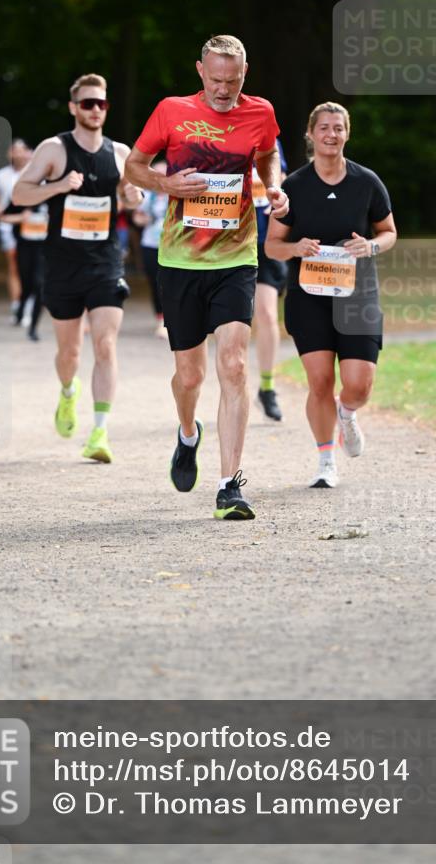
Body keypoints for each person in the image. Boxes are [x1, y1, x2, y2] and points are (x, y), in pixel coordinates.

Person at [125, 34, 289, 520]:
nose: (223, 90)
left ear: (245, 74)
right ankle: (187, 432)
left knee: (234, 365)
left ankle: (229, 486)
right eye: (216, 80)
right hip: (179, 262)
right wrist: (163, 181)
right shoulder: (171, 111)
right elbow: (134, 165)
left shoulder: (260, 113)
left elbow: (267, 155)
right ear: (200, 70)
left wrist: (274, 188)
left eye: (233, 81)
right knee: (189, 375)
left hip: (236, 257)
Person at [265, 102, 397, 488]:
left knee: (358, 384)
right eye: (323, 127)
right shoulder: (293, 187)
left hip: (358, 295)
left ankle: (348, 413)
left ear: (347, 133)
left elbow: (389, 232)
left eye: (338, 128)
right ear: (310, 134)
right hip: (310, 295)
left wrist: (369, 247)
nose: (331, 134)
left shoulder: (366, 182)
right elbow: (273, 246)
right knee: (320, 381)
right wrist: (296, 248)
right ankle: (326, 462)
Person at [13, 73, 143, 462]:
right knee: (69, 352)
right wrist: (57, 186)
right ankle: (68, 392)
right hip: (63, 265)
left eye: (101, 103)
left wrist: (132, 195)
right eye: (87, 103)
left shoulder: (120, 152)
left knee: (104, 343)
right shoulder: (54, 149)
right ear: (73, 108)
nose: (95, 110)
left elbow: (133, 199)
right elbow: (20, 193)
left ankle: (100, 432)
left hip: (105, 262)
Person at [252, 138, 289, 421]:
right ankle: (232, 385)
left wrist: (277, 195)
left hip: (264, 241)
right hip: (224, 239)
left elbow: (281, 175)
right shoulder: (207, 129)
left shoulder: (265, 135)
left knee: (265, 313)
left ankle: (267, 387)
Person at [0, 139, 33, 321]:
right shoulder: (1, 175)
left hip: (33, 226)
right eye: (15, 150)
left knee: (31, 266)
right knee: (14, 265)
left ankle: (28, 303)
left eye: (22, 150)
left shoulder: (36, 174)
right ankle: (17, 305)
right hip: (8, 225)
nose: (18, 154)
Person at [0, 201, 49, 341]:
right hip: (25, 247)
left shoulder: (55, 195)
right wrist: (21, 217)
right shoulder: (22, 196)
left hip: (45, 250)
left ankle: (33, 327)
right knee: (26, 284)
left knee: (39, 285)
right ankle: (20, 310)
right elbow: (3, 217)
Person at [132, 160, 169, 338]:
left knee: (171, 283)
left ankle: (173, 319)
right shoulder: (148, 195)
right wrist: (142, 220)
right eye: (157, 173)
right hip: (150, 245)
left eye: (165, 173)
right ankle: (161, 320)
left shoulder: (177, 195)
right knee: (155, 283)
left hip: (172, 247)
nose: (161, 177)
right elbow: (137, 217)